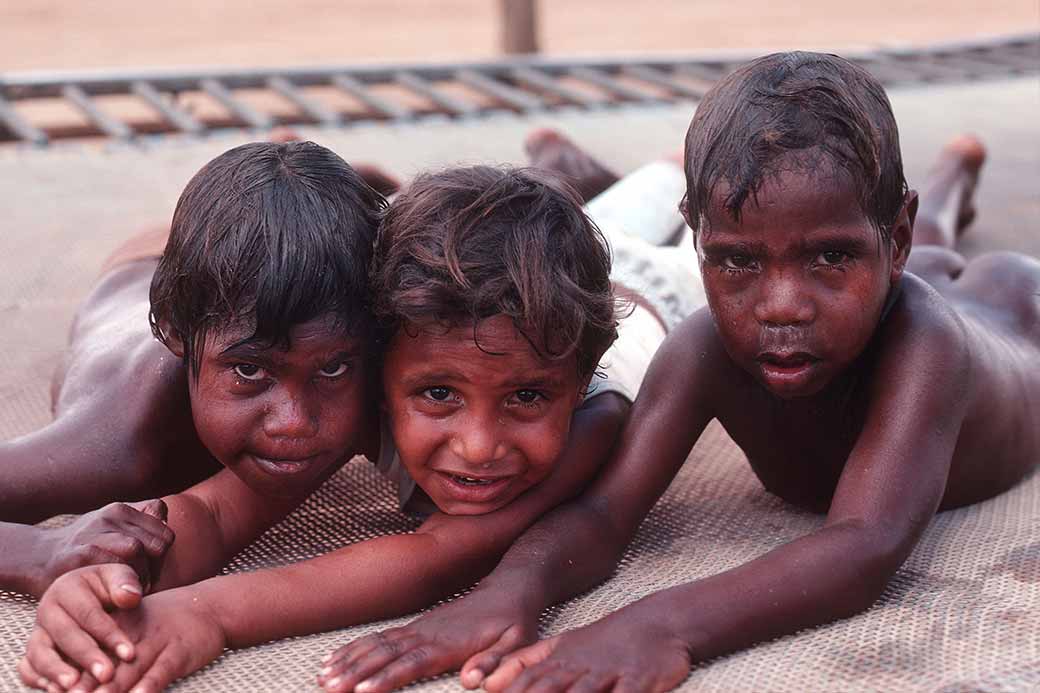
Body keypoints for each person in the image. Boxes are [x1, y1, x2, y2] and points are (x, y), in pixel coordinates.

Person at [315, 51, 1040, 693]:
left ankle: (946, 180)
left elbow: (862, 542)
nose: (782, 305)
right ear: (696, 239)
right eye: (737, 261)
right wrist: (511, 591)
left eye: (830, 257)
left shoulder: (927, 346)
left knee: (962, 276)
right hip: (931, 278)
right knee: (933, 261)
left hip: (1017, 316)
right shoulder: (704, 348)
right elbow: (603, 512)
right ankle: (949, 180)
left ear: (893, 238)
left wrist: (662, 624)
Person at [18, 146, 705, 692]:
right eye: (437, 395)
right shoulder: (359, 375)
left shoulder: (588, 414)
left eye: (524, 400)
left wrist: (210, 613)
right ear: (385, 359)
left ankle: (661, 166)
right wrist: (117, 579)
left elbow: (431, 554)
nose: (478, 445)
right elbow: (217, 514)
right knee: (605, 211)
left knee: (660, 211)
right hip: (531, 300)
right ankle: (592, 171)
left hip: (652, 290)